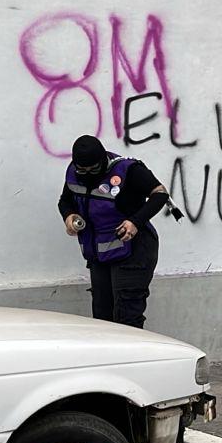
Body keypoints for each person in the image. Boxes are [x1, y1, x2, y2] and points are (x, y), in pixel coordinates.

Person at [57, 135, 170, 328]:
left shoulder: (129, 170)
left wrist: (135, 222)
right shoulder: (74, 172)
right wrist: (69, 216)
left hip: (134, 249)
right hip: (99, 253)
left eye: (94, 169)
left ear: (102, 159)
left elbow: (160, 194)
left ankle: (134, 356)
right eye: (82, 170)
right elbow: (65, 201)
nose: (88, 174)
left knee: (127, 314)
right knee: (102, 315)